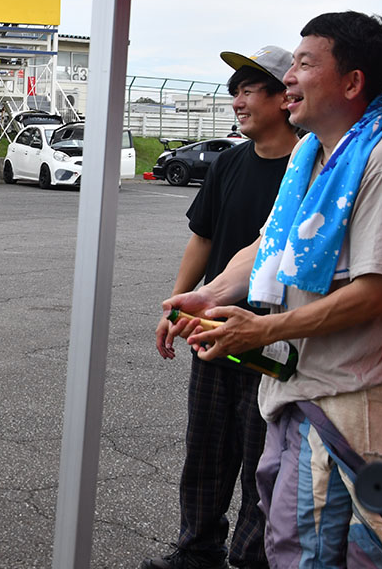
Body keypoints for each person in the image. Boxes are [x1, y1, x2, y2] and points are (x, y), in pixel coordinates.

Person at [163, 12, 382, 568]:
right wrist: (211, 296)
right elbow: (267, 247)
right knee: (287, 539)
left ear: (352, 83)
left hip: (345, 396)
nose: (289, 78)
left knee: (319, 550)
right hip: (293, 386)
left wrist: (265, 328)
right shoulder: (311, 159)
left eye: (306, 64)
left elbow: (375, 293)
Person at [144, 45, 300, 569]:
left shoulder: (309, 167)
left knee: (262, 458)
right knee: (206, 450)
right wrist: (175, 305)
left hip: (272, 337)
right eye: (235, 92)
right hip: (212, 329)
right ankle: (198, 549)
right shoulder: (230, 162)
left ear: (283, 98)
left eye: (249, 90)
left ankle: (251, 558)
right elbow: (203, 238)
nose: (237, 101)